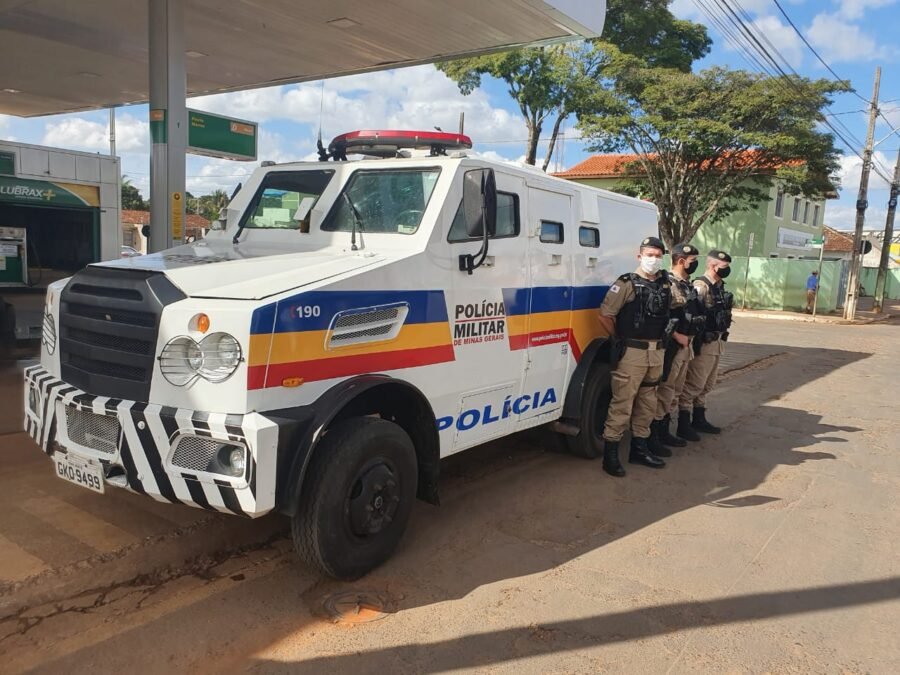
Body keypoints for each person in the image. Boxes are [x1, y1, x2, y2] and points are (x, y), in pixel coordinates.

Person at [597, 236, 689, 477]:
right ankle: (611, 455)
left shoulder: (666, 285)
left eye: (659, 256)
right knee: (623, 403)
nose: (654, 260)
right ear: (639, 257)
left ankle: (639, 449)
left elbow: (679, 304)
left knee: (648, 402)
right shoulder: (627, 283)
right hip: (633, 353)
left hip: (657, 352)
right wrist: (619, 339)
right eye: (650, 255)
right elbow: (605, 315)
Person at [652, 243, 705, 449]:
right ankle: (654, 436)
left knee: (675, 391)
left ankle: (665, 432)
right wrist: (676, 335)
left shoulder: (687, 284)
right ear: (681, 261)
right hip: (672, 347)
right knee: (665, 391)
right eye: (692, 261)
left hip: (686, 346)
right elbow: (661, 317)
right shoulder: (668, 284)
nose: (695, 264)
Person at [677, 250, 734, 440]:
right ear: (712, 265)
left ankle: (699, 419)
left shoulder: (719, 285)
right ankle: (683, 424)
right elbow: (694, 315)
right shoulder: (701, 285)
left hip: (717, 341)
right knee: (694, 384)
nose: (727, 270)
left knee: (707, 384)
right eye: (724, 267)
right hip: (705, 343)